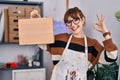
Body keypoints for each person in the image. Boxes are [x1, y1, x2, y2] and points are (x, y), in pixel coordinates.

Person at [30, 7, 118, 80]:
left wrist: (105, 32)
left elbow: (112, 57)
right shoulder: (60, 39)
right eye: (69, 22)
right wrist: (36, 21)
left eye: (76, 20)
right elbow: (40, 41)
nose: (73, 25)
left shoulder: (92, 45)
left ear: (83, 20)